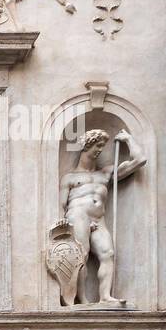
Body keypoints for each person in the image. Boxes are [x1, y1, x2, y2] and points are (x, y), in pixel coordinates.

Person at [59, 128, 145, 304]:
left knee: (108, 253)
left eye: (103, 146)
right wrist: (65, 224)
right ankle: (82, 299)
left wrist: (128, 139)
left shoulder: (105, 173)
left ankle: (105, 296)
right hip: (78, 215)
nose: (100, 150)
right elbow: (61, 205)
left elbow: (140, 160)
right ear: (86, 145)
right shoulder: (69, 178)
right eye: (97, 145)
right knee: (81, 255)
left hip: (98, 219)